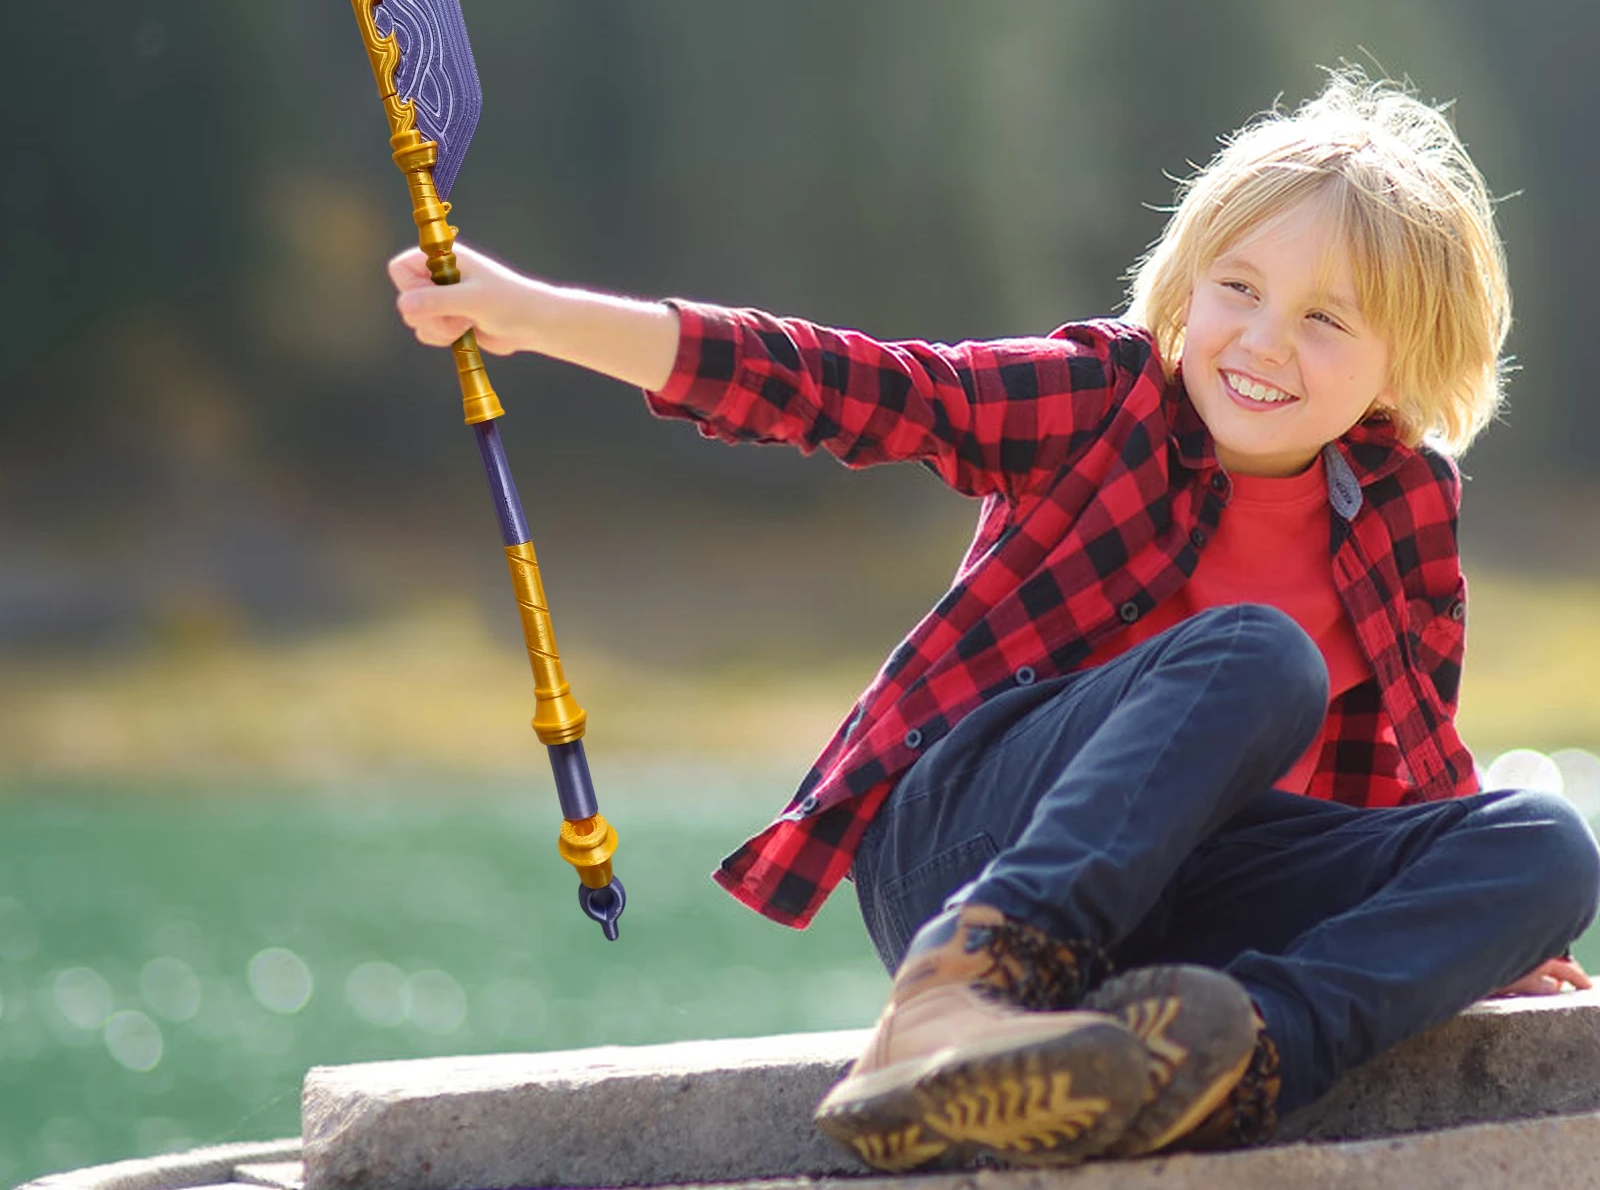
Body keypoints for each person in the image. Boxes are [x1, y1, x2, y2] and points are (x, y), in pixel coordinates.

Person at [388, 68, 1600, 1170]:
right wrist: (532, 314)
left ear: (1401, 366)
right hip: (964, 849)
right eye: (1238, 287)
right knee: (1256, 657)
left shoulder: (1406, 503)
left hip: (1180, 909)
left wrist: (1480, 921)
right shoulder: (1102, 396)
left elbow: (1414, 767)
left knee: (1547, 843)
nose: (1261, 341)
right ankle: (959, 999)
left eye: (1326, 319)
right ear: (1189, 284)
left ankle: (1228, 1066)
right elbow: (846, 383)